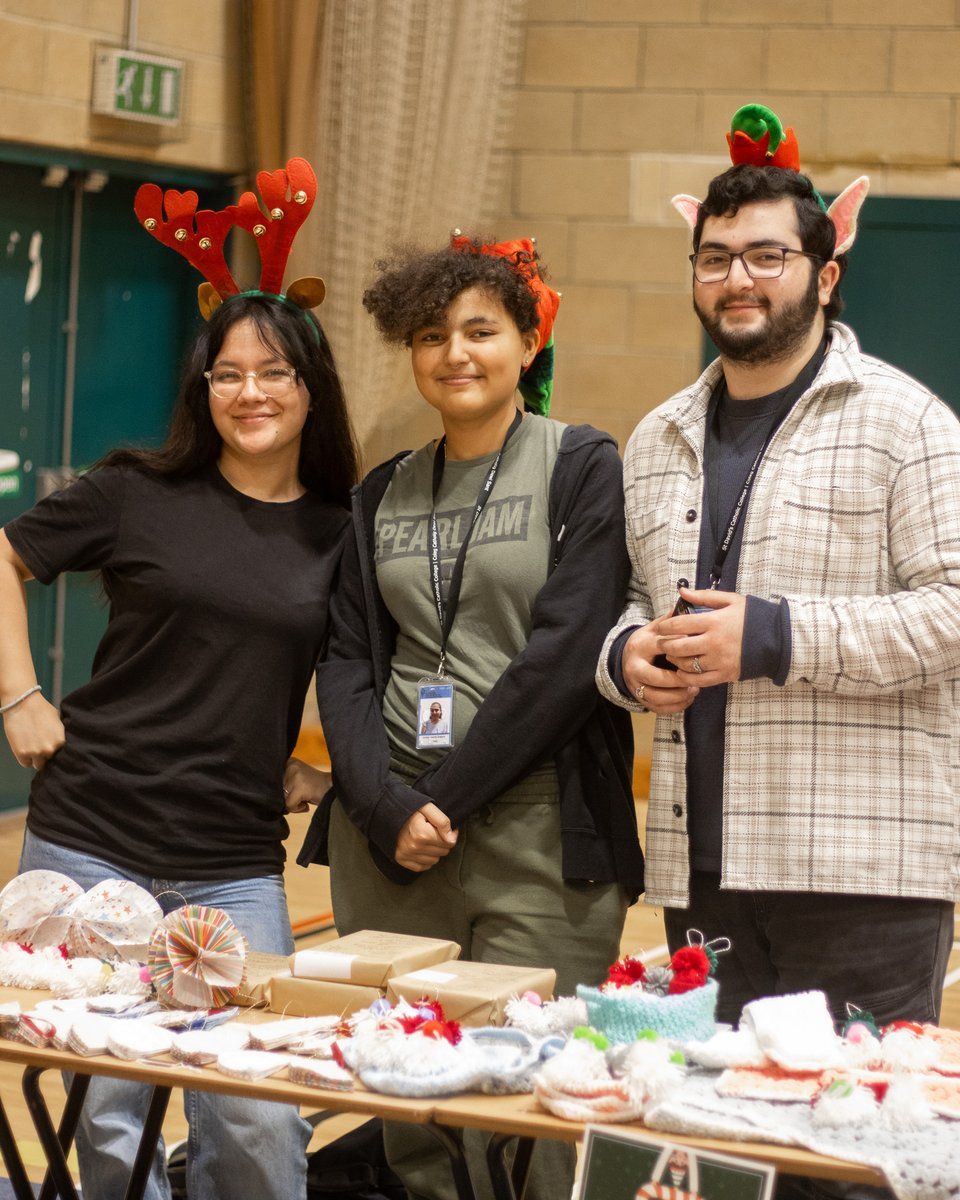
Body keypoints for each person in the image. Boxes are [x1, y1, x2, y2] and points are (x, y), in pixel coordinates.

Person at [0, 162, 358, 1200]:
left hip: (232, 863)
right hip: (90, 835)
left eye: (276, 372)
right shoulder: (135, 491)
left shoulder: (343, 529)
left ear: (311, 387)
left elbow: (360, 666)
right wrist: (19, 696)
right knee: (103, 1125)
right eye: (229, 373)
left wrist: (317, 766)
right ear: (204, 388)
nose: (252, 392)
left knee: (255, 1121)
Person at [597, 104, 960, 1042]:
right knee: (726, 1156)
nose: (737, 279)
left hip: (861, 871)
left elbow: (954, 612)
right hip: (700, 870)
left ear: (825, 274)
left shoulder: (907, 422)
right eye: (715, 258)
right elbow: (631, 603)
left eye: (767, 256)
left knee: (848, 1166)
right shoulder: (658, 436)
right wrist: (628, 654)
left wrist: (772, 634)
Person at [300, 234, 644, 1200]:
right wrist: (380, 805)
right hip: (394, 839)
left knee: (536, 1098)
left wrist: (440, 800)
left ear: (529, 342)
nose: (455, 353)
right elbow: (349, 660)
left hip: (537, 829)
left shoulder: (580, 464)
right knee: (415, 1115)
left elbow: (568, 658)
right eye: (430, 335)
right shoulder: (380, 493)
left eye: (481, 330)